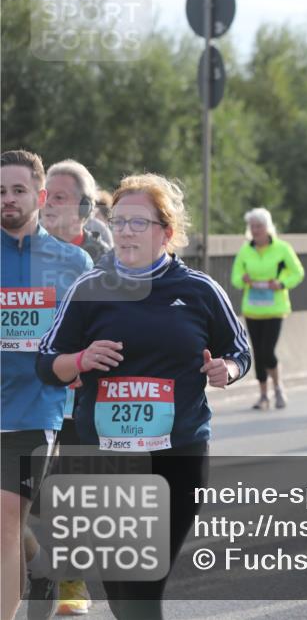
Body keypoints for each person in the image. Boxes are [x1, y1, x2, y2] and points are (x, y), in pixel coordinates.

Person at [36, 173, 250, 620]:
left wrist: (224, 369)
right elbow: (47, 362)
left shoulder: (199, 290)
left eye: (138, 222)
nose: (126, 231)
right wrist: (81, 360)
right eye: (119, 221)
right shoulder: (89, 288)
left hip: (179, 452)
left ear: (166, 232)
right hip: (107, 456)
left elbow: (239, 350)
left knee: (143, 585)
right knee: (129, 590)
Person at [1, 150, 92, 620]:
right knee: (9, 525)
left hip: (37, 407)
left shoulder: (73, 262)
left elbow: (92, 329)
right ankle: (45, 564)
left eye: (18, 191)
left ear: (38, 197)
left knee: (7, 518)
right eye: (0, 191)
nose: (8, 200)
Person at [39, 159, 113, 616]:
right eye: (45, 193)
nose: (48, 203)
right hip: (28, 393)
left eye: (60, 196)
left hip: (82, 396)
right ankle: (33, 554)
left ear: (85, 209)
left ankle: (71, 582)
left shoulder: (108, 258)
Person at [231, 207, 305, 410]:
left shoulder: (282, 249)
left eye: (259, 226)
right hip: (253, 308)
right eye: (252, 226)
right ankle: (263, 395)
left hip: (275, 308)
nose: (255, 230)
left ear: (268, 227)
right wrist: (244, 280)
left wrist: (280, 283)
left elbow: (297, 273)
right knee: (257, 352)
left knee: (267, 351)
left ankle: (278, 387)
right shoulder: (245, 251)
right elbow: (235, 277)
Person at [41, 160, 112, 262]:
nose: (47, 202)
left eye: (59, 197)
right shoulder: (22, 250)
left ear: (84, 206)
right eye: (46, 195)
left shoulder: (104, 261)